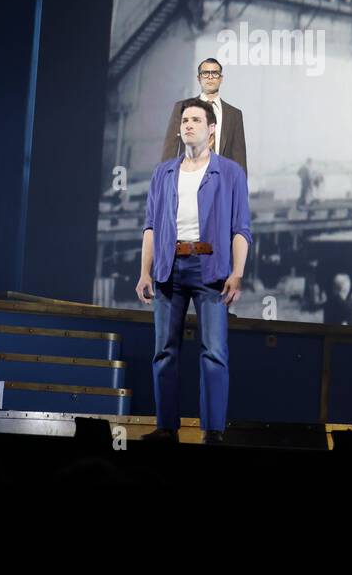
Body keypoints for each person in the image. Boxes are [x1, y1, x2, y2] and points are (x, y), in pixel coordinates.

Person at [137, 98, 252, 444]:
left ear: (212, 129)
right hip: (168, 270)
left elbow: (241, 229)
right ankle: (166, 427)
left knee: (214, 352)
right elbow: (151, 227)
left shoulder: (230, 172)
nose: (188, 125)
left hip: (210, 271)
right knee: (164, 350)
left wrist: (238, 272)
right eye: (184, 120)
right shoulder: (163, 173)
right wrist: (145, 272)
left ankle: (213, 431)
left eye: (196, 120)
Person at [161, 58, 247, 175]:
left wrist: (240, 189)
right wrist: (165, 182)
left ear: (221, 79)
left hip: (221, 181)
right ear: (199, 78)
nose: (210, 77)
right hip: (188, 178)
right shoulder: (182, 107)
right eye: (205, 73)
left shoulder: (234, 114)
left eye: (215, 73)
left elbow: (239, 158)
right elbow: (170, 149)